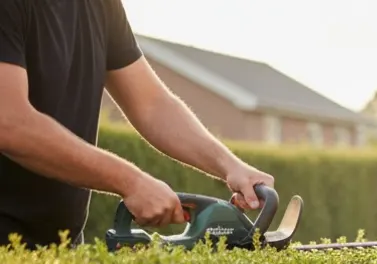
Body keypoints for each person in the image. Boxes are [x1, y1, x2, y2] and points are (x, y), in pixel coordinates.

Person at [0, 0, 274, 248]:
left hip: (59, 248)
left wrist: (230, 166)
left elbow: (152, 104)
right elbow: (10, 122)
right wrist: (131, 181)